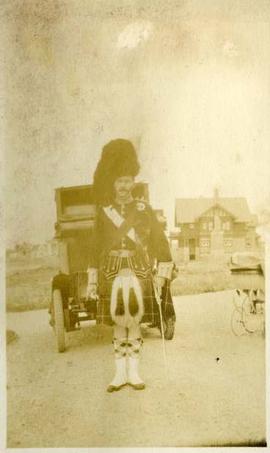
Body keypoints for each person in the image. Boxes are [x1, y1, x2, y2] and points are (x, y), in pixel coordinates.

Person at [87, 139, 176, 392]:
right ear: (111, 183)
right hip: (111, 269)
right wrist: (93, 279)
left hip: (138, 268)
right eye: (119, 181)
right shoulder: (103, 212)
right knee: (118, 322)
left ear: (133, 181)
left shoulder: (143, 208)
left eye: (128, 180)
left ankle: (134, 373)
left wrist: (162, 273)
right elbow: (95, 246)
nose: (124, 186)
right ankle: (119, 374)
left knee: (135, 321)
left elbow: (159, 240)